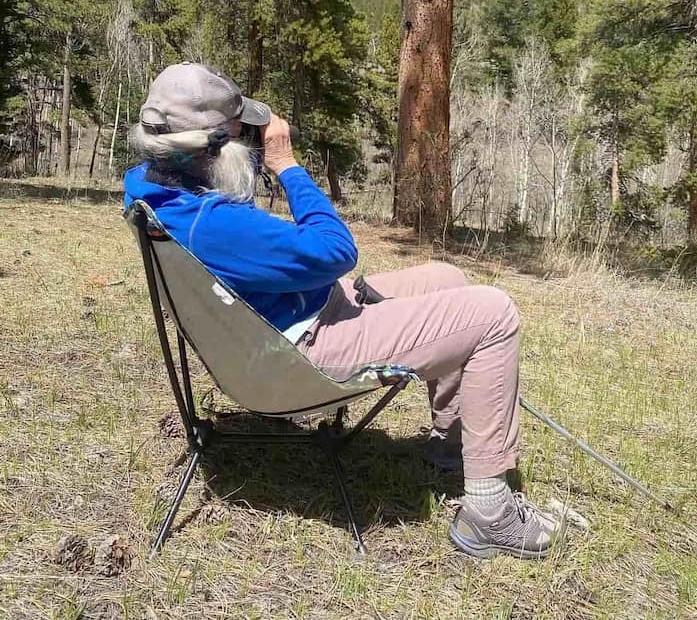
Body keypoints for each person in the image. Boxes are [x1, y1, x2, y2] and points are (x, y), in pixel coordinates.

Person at [124, 62, 561, 560]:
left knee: (447, 278)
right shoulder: (215, 225)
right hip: (307, 349)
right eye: (237, 131)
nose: (249, 140)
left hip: (287, 319)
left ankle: (450, 448)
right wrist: (286, 164)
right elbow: (336, 249)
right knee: (493, 313)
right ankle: (490, 513)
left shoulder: (151, 187)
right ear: (211, 145)